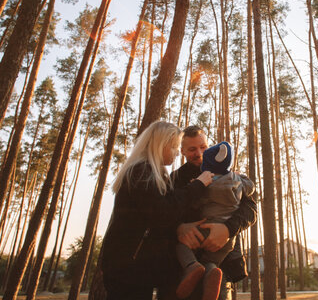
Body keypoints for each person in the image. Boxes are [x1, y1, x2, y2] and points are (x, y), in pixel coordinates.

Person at [101, 121, 214, 300]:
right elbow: (162, 213)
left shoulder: (154, 173)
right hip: (127, 267)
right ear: (161, 145)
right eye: (175, 147)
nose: (177, 152)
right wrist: (197, 186)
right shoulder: (141, 172)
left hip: (135, 265)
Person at [171, 126, 257, 300]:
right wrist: (178, 228)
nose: (199, 153)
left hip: (222, 264)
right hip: (181, 268)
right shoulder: (175, 179)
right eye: (192, 149)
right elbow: (163, 213)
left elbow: (251, 210)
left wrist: (227, 229)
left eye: (203, 147)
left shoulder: (230, 176)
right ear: (182, 151)